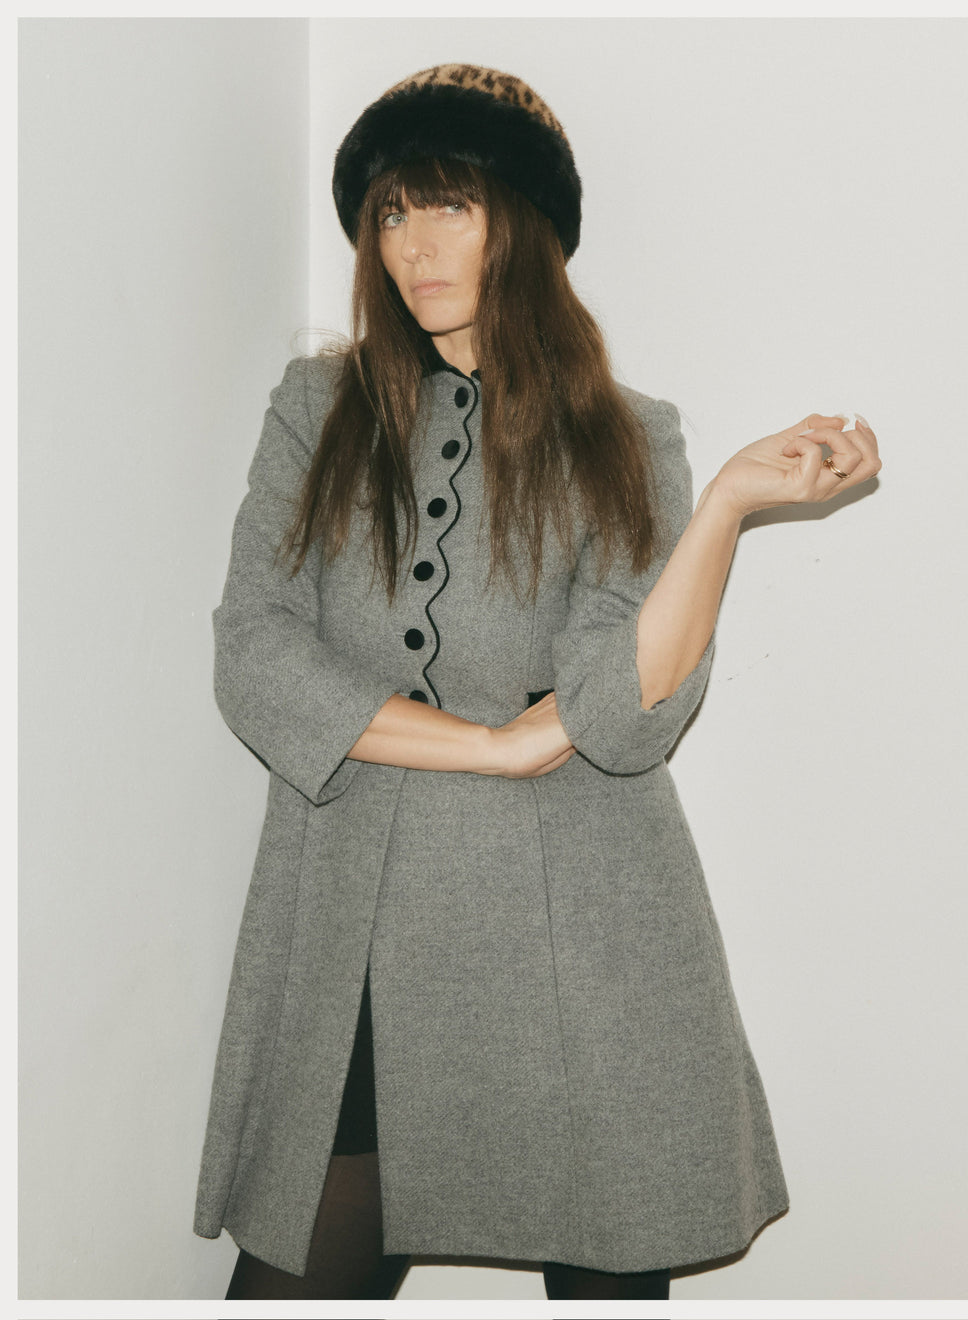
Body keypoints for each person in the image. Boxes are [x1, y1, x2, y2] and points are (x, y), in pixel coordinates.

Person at [193, 65, 881, 1302]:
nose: (414, 244)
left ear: (522, 223)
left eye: (449, 205)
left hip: (581, 914)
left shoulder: (628, 432)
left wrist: (725, 508)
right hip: (353, 914)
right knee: (300, 1270)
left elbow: (620, 717)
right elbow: (254, 653)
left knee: (606, 1266)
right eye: (391, 213)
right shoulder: (317, 408)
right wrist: (495, 744)